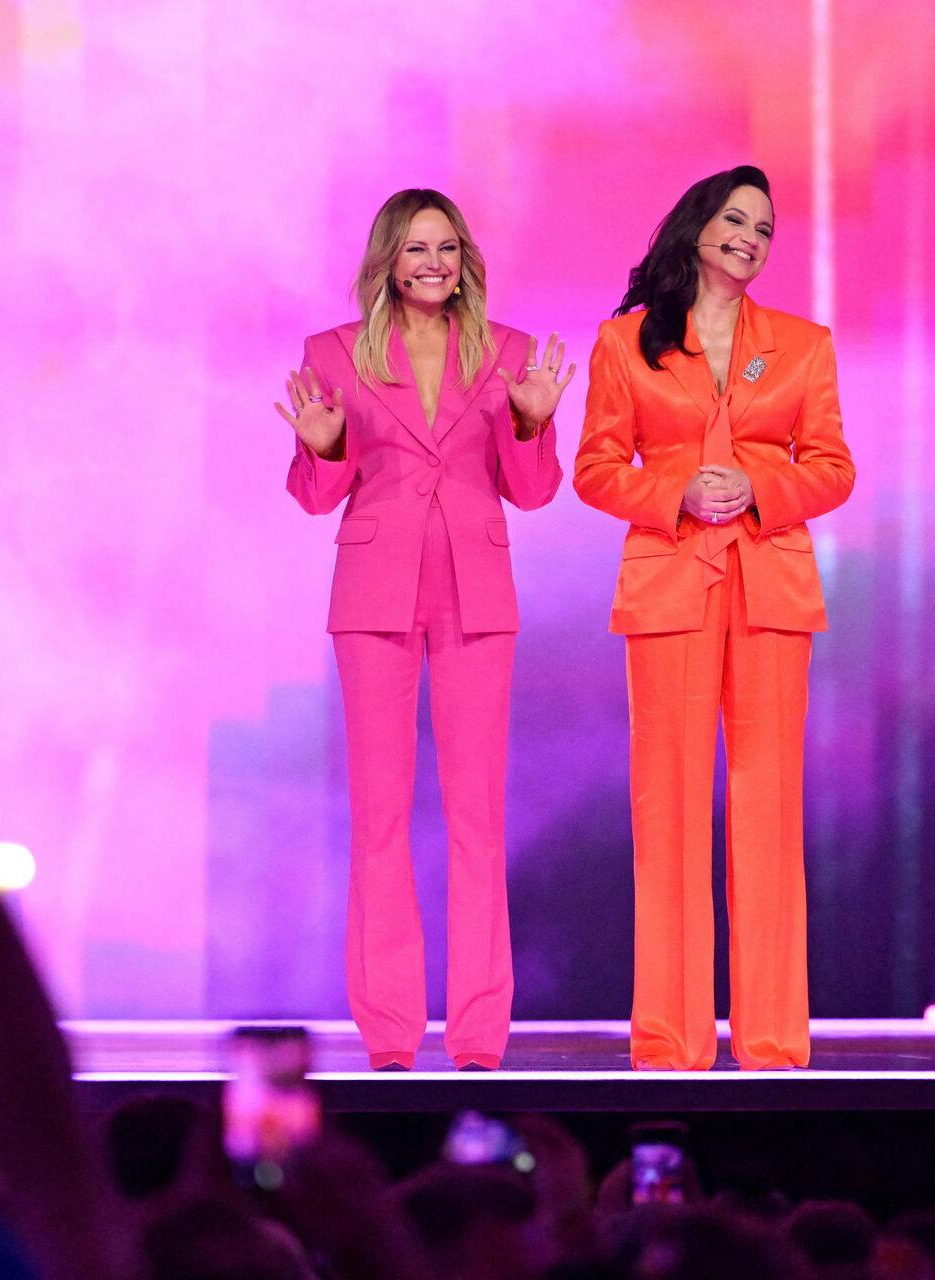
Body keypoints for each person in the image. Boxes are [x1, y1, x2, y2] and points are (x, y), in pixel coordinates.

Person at [280, 188, 570, 1071]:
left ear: (465, 259)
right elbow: (313, 494)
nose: (432, 262)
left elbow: (534, 489)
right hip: (374, 590)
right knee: (378, 817)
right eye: (414, 249)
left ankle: (479, 1035)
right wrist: (325, 446)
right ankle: (390, 1034)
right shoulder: (332, 352)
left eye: (446, 246)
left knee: (478, 818)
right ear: (387, 262)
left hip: (477, 591)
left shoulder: (510, 353)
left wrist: (531, 421)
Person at [573, 165, 854, 1071]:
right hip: (669, 583)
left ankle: (772, 1040)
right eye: (736, 220)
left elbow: (834, 467)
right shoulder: (627, 345)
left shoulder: (804, 345)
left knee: (768, 813)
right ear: (696, 226)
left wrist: (762, 486)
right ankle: (670, 1040)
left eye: (766, 229)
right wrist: (679, 489)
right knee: (670, 816)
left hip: (770, 584)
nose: (751, 238)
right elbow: (596, 468)